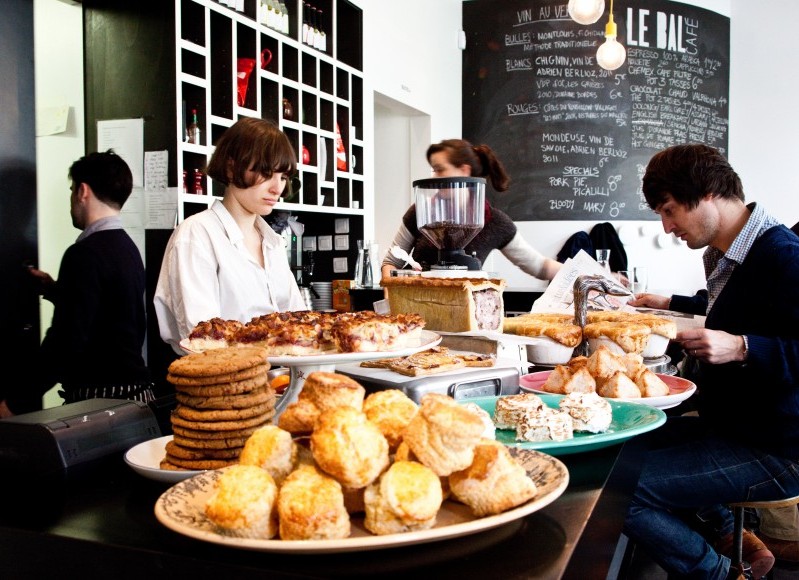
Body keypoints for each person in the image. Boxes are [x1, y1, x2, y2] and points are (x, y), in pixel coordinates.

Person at [622, 143, 799, 579]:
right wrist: (673, 305)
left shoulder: (783, 254)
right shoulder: (725, 252)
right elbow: (744, 309)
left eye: (669, 211)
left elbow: (762, 337)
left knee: (620, 490)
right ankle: (731, 535)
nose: (666, 227)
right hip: (734, 427)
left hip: (776, 448)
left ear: (705, 194)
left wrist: (741, 347)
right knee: (621, 447)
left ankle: (719, 574)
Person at [0, 151, 153, 417]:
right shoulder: (128, 247)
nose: (71, 200)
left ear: (83, 191)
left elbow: (66, 340)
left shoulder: (84, 253)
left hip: (100, 403)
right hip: (136, 398)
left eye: (72, 190)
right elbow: (108, 313)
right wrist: (56, 291)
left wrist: (16, 401)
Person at [154, 117, 306, 355]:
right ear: (231, 167)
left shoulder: (273, 243)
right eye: (266, 173)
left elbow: (299, 324)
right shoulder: (197, 234)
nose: (277, 188)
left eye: (283, 177)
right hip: (223, 384)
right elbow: (204, 339)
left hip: (278, 382)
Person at [380, 139, 562, 280]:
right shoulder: (420, 212)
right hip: (415, 312)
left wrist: (584, 276)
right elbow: (391, 263)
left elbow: (540, 267)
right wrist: (391, 302)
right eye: (434, 170)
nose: (435, 177)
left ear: (464, 170)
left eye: (440, 170)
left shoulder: (495, 222)